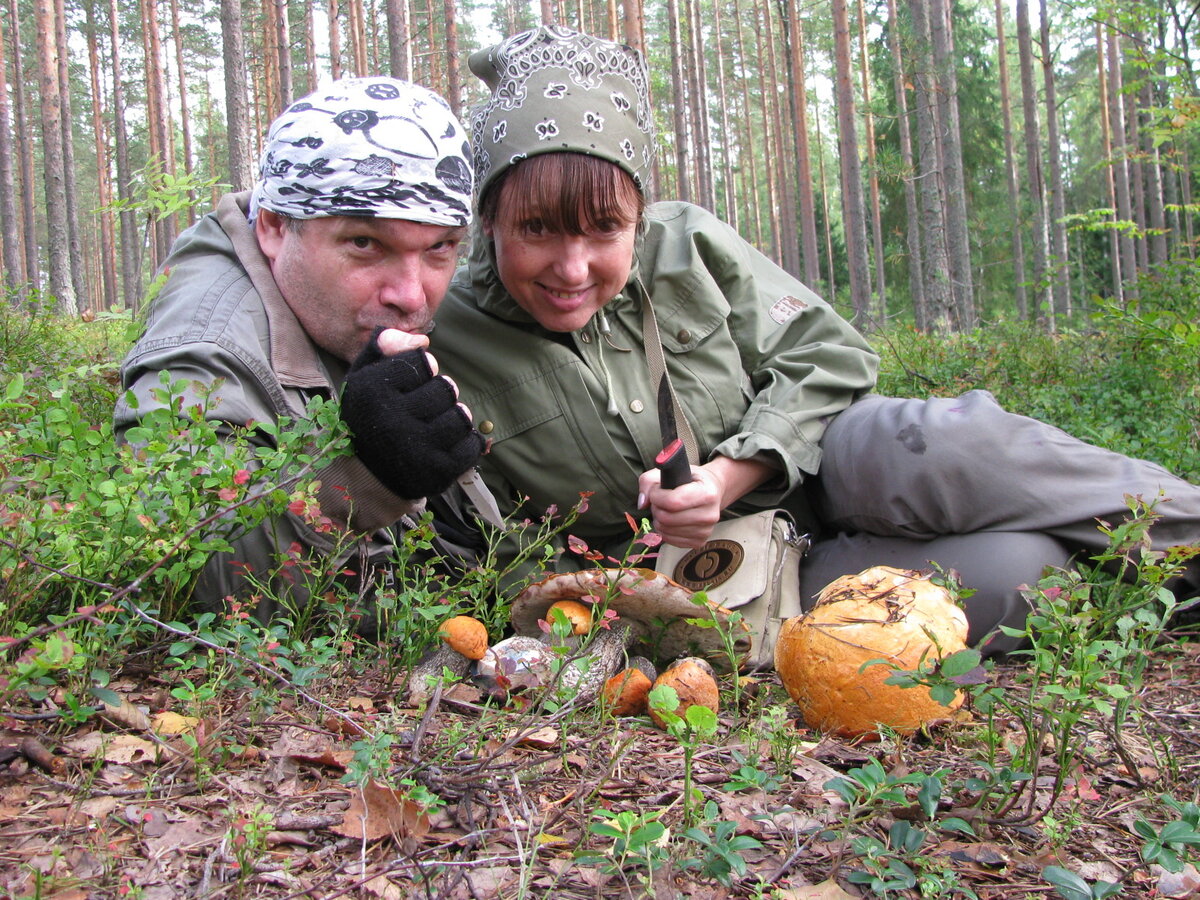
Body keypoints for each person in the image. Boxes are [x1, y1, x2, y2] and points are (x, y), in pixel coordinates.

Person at [431, 25, 1200, 656]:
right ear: (489, 219)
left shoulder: (685, 247)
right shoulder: (450, 338)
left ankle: (1187, 535)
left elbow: (832, 356)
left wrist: (729, 473)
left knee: (946, 442)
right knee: (1011, 575)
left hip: (833, 471)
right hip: (734, 580)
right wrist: (629, 581)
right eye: (537, 229)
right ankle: (1139, 602)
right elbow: (488, 548)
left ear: (637, 216)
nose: (572, 267)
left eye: (605, 229)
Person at [114, 77, 488, 616]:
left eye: (440, 248)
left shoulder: (337, 307)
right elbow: (178, 579)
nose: (410, 295)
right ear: (272, 226)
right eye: (364, 243)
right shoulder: (205, 351)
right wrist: (361, 480)